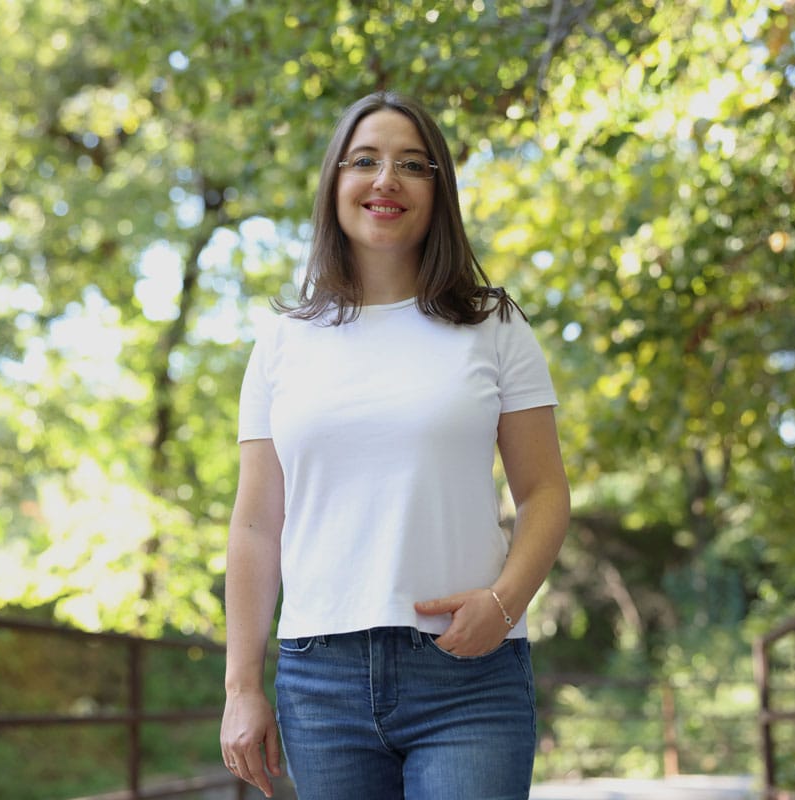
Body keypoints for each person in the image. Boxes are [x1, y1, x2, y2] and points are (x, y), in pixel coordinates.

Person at [219, 90, 570, 800]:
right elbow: (257, 524)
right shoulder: (284, 339)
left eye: (413, 164)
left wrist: (505, 604)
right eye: (366, 161)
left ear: (438, 190)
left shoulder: (494, 325)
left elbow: (544, 493)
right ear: (336, 184)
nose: (387, 180)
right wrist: (240, 687)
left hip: (467, 673)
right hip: (320, 681)